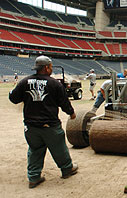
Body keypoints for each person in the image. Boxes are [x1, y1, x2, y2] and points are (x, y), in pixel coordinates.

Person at [9, 55, 78, 189]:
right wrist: (72, 113)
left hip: (31, 126)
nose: (51, 69)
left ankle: (34, 177)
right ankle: (67, 169)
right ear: (46, 68)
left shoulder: (24, 82)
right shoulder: (54, 83)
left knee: (35, 150)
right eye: (51, 67)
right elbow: (64, 102)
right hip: (50, 125)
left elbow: (13, 98)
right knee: (59, 148)